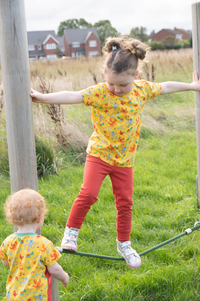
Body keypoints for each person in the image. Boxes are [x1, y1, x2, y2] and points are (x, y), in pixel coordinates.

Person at [30, 36, 200, 269]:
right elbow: (72, 96)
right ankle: (70, 234)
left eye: (123, 85)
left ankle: (124, 243)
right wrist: (41, 98)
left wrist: (191, 86)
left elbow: (167, 86)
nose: (116, 89)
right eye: (112, 83)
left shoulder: (141, 90)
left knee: (125, 203)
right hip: (99, 155)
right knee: (88, 194)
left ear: (136, 77)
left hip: (125, 160)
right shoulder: (100, 93)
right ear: (105, 76)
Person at [0, 188, 69, 300]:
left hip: (14, 296)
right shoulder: (44, 244)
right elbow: (55, 270)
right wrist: (65, 277)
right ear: (39, 217)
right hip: (37, 297)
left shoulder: (8, 241)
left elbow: (5, 262)